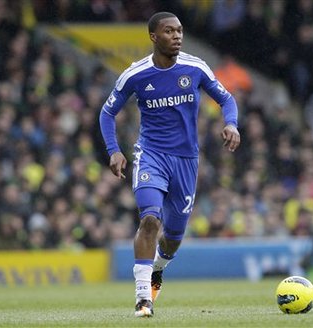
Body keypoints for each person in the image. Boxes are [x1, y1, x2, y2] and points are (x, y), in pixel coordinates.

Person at [99, 12, 241, 317]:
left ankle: (158, 270)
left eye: (179, 30)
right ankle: (142, 298)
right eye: (169, 31)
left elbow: (228, 100)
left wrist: (232, 124)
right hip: (151, 155)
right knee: (150, 219)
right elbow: (107, 113)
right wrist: (114, 150)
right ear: (153, 36)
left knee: (173, 239)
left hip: (186, 161)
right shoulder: (135, 74)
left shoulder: (196, 67)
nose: (177, 36)